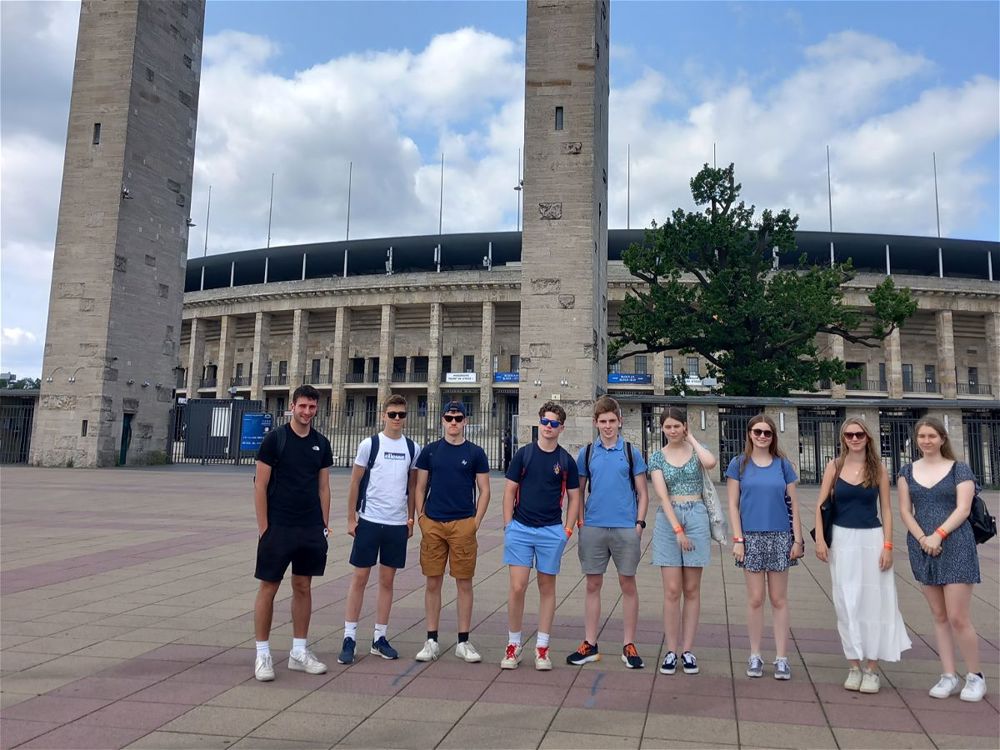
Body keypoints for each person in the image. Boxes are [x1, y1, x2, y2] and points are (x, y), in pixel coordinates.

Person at [814, 418, 911, 694]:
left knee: (874, 602)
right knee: (846, 602)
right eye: (848, 435)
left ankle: (872, 668)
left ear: (867, 438)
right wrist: (820, 540)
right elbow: (821, 505)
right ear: (843, 438)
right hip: (842, 540)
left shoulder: (878, 468)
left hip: (871, 539)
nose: (854, 439)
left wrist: (889, 545)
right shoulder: (835, 466)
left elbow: (888, 510)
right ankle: (853, 665)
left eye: (858, 435)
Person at [897, 416, 985, 702]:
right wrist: (923, 539)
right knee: (939, 616)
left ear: (942, 439)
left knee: (959, 617)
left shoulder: (960, 470)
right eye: (921, 436)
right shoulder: (907, 472)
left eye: (932, 436)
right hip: (922, 546)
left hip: (956, 544)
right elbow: (905, 511)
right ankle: (948, 674)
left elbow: (963, 508)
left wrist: (938, 535)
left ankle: (975, 675)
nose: (926, 441)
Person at [252, 384, 333, 681]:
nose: (307, 412)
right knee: (269, 587)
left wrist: (324, 524)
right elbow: (260, 484)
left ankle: (299, 651)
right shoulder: (275, 439)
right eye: (302, 406)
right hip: (279, 526)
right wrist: (264, 528)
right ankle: (262, 654)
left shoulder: (321, 443)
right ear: (292, 406)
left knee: (303, 586)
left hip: (309, 526)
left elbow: (324, 487)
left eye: (312, 407)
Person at [566, 396, 649, 669]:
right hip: (594, 526)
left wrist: (639, 524)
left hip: (626, 527)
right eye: (603, 421)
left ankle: (629, 643)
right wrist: (580, 523)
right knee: (592, 584)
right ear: (595, 423)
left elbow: (642, 492)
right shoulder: (587, 452)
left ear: (620, 421)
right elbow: (577, 491)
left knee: (628, 584)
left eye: (612, 421)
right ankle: (590, 643)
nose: (608, 426)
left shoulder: (630, 452)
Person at [338, 394, 420, 665]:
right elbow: (354, 482)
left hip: (396, 524)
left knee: (387, 581)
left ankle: (379, 637)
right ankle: (349, 636)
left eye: (402, 414)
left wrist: (410, 519)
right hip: (370, 520)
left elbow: (412, 487)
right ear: (383, 415)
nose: (397, 419)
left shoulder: (412, 447)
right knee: (359, 578)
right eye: (392, 414)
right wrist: (351, 518)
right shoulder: (369, 445)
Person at [501, 401, 581, 670]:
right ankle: (513, 645)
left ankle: (542, 648)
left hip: (550, 530)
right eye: (545, 422)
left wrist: (567, 530)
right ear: (539, 424)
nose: (548, 427)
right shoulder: (524, 454)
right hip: (521, 529)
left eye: (553, 424)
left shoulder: (565, 460)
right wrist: (508, 526)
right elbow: (510, 490)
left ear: (561, 428)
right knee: (517, 586)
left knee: (547, 588)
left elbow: (574, 497)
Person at [726, 414, 804, 680]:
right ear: (749, 434)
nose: (761, 436)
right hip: (751, 537)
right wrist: (738, 539)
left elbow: (793, 504)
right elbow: (733, 505)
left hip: (780, 535)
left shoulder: (783, 465)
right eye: (757, 432)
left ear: (773, 436)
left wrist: (798, 539)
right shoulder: (739, 464)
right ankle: (755, 654)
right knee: (756, 599)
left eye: (767, 433)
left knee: (779, 599)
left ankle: (782, 657)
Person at [413, 402, 492, 663]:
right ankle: (431, 639)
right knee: (432, 581)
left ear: (465, 421)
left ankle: (463, 641)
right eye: (449, 418)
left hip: (463, 523)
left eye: (458, 418)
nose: (454, 422)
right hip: (434, 522)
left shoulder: (476, 452)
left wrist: (476, 522)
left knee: (464, 582)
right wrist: (421, 518)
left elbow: (485, 490)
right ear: (443, 421)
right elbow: (420, 487)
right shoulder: (430, 451)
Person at [648, 407, 718, 676]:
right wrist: (677, 529)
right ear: (662, 429)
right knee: (672, 590)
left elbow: (710, 463)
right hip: (669, 521)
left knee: (692, 589)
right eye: (668, 427)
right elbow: (662, 496)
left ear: (684, 427)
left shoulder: (695, 451)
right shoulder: (657, 458)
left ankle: (688, 650)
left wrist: (692, 440)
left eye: (677, 426)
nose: (673, 431)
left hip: (697, 514)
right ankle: (671, 649)